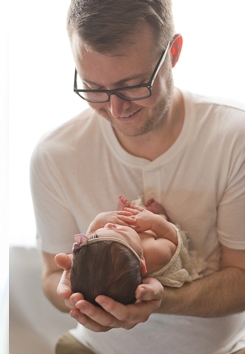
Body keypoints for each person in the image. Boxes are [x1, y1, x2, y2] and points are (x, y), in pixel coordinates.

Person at [30, 0, 245, 353]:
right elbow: (51, 275)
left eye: (132, 85)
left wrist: (159, 300)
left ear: (173, 52)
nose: (116, 109)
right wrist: (80, 299)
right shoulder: (54, 155)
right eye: (93, 87)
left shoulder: (234, 137)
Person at [70, 196, 205, 308]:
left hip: (121, 249)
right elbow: (174, 240)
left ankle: (123, 217)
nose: (109, 225)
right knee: (160, 227)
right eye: (120, 231)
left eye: (97, 234)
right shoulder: (156, 253)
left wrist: (98, 221)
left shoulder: (121, 254)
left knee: (108, 240)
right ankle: (161, 216)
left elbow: (94, 243)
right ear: (142, 264)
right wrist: (155, 222)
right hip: (162, 237)